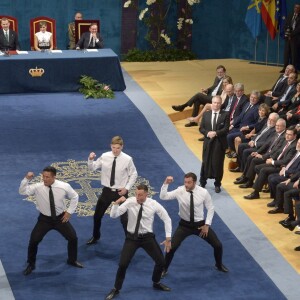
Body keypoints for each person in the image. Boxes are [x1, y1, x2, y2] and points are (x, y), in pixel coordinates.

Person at [105, 184, 172, 300]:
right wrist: (116, 203)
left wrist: (168, 238)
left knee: (161, 262)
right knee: (122, 264)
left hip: (147, 238)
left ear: (147, 194)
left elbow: (167, 218)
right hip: (132, 238)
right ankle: (116, 288)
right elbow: (113, 215)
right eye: (136, 194)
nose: (137, 197)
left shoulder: (153, 204)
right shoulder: (130, 202)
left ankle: (156, 282)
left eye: (140, 195)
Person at [159, 173, 228, 278]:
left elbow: (210, 208)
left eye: (189, 182)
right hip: (184, 225)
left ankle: (218, 265)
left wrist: (207, 225)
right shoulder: (180, 190)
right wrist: (165, 184)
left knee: (218, 245)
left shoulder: (203, 192)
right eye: (185, 182)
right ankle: (164, 269)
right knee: (171, 248)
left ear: (194, 182)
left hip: (200, 226)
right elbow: (163, 196)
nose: (186, 184)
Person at [19, 166, 83, 276]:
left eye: (47, 177)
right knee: (34, 241)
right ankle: (31, 264)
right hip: (44, 219)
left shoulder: (64, 186)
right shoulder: (38, 187)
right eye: (43, 176)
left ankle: (72, 260)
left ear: (54, 177)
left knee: (73, 238)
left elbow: (75, 196)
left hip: (60, 218)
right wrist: (26, 179)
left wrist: (69, 212)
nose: (44, 179)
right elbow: (22, 192)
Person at [86, 136, 138, 245]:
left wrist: (126, 188)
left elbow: (134, 174)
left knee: (125, 219)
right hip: (107, 192)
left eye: (118, 148)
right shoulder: (105, 156)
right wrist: (90, 160)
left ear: (122, 147)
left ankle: (129, 242)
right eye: (113, 147)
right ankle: (96, 236)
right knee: (97, 216)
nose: (115, 150)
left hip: (121, 193)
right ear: (111, 146)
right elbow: (93, 167)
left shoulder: (127, 159)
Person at [243, 127, 297, 200]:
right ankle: (255, 183)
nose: (287, 136)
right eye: (286, 134)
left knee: (263, 170)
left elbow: (286, 161)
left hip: (282, 167)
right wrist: (271, 158)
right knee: (257, 167)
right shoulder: (286, 141)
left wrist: (273, 162)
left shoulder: (294, 146)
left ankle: (256, 192)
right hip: (276, 162)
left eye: (289, 135)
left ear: (295, 136)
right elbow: (278, 152)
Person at [199, 95, 230, 193]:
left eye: (218, 103)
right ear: (211, 103)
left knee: (218, 164)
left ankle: (217, 184)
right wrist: (207, 133)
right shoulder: (206, 114)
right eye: (214, 103)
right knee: (205, 162)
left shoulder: (225, 114)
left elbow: (226, 128)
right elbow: (201, 128)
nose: (216, 105)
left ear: (221, 104)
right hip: (208, 142)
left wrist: (216, 133)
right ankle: (202, 182)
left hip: (219, 143)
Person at [281, 4, 300, 72]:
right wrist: (287, 32)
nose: (296, 9)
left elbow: (298, 29)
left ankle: (293, 69)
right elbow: (285, 25)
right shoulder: (290, 15)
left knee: (294, 55)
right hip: (287, 38)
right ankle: (285, 68)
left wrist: (291, 34)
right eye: (295, 7)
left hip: (295, 39)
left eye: (298, 8)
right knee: (286, 54)